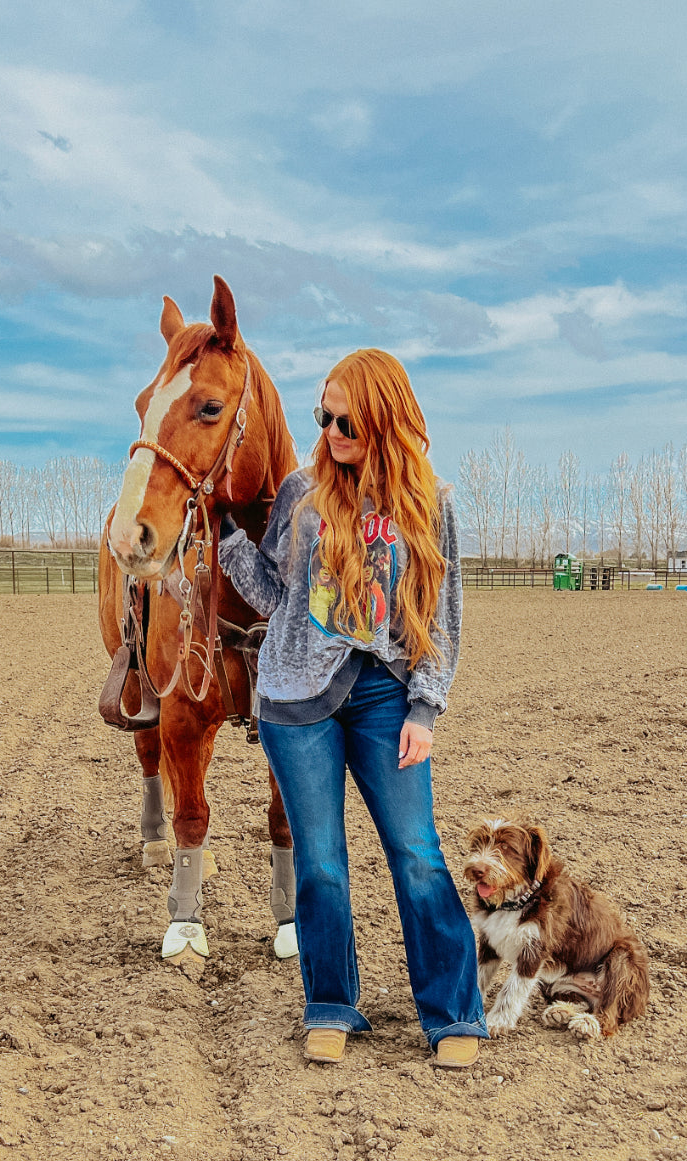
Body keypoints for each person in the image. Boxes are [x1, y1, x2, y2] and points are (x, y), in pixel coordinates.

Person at [219, 348, 487, 1068]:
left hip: (383, 694)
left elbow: (444, 613)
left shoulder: (429, 503)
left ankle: (453, 1009)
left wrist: (424, 709)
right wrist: (222, 539)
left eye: (349, 419)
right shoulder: (303, 493)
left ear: (385, 419)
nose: (334, 430)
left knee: (417, 853)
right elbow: (280, 597)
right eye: (324, 416)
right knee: (322, 863)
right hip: (296, 697)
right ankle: (330, 1002)